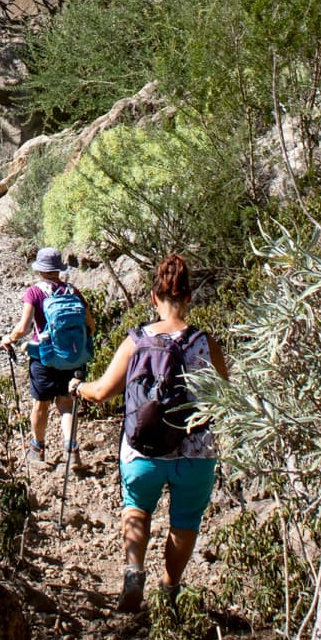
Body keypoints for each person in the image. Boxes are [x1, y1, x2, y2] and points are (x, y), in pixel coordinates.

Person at [70, 253, 228, 613]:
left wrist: (78, 386)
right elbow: (226, 395)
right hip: (196, 451)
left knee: (137, 508)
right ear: (189, 299)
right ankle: (170, 589)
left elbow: (101, 392)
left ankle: (133, 574)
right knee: (185, 521)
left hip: (142, 450)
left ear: (154, 298)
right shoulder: (205, 343)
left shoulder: (136, 341)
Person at [1, 247, 94, 472]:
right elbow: (90, 326)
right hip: (73, 358)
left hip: (45, 357)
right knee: (66, 403)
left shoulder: (34, 292)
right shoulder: (74, 292)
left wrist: (9, 339)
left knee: (40, 404)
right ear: (59, 269)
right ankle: (72, 453)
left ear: (40, 270)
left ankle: (37, 449)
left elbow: (23, 327)